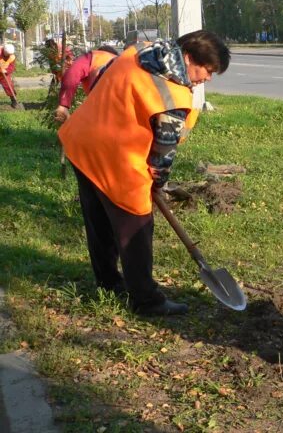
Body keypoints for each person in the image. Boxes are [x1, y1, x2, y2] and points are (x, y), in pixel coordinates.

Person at [58, 31, 230, 316]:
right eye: (207, 70)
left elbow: (103, 81)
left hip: (81, 141)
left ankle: (109, 283)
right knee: (136, 228)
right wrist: (157, 182)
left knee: (98, 219)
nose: (208, 78)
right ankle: (147, 301)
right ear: (188, 58)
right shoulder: (172, 96)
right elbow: (162, 156)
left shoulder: (138, 51)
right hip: (115, 158)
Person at [53, 44, 119, 123]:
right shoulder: (120, 60)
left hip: (105, 96)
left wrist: (63, 105)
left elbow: (73, 72)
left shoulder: (94, 56)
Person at [0, 43, 18, 107]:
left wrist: (6, 71)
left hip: (4, 73)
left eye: (10, 54)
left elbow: (12, 67)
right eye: (7, 53)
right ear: (4, 50)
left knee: (9, 86)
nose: (8, 55)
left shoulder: (12, 57)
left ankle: (14, 101)